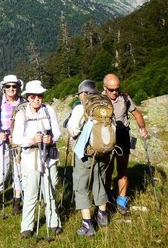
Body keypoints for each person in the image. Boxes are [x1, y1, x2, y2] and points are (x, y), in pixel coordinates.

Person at [12, 80, 61, 239]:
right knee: (31, 192)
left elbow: (57, 132)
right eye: (33, 96)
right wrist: (32, 140)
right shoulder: (21, 114)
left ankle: (54, 223)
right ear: (28, 97)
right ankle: (27, 226)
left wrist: (50, 139)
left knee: (50, 190)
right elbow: (16, 138)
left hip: (48, 157)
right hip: (29, 157)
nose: (36, 99)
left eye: (39, 95)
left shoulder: (49, 111)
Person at [66, 80, 109, 237]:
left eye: (80, 94)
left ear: (83, 93)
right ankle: (103, 217)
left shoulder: (81, 107)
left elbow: (73, 132)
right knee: (99, 182)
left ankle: (87, 225)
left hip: (85, 153)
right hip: (103, 152)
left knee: (81, 186)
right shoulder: (105, 104)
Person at [103, 73, 148, 216]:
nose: (115, 92)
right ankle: (107, 197)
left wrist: (142, 128)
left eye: (117, 89)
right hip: (106, 139)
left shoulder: (125, 98)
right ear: (104, 88)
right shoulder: (99, 100)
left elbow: (137, 113)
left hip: (123, 137)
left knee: (122, 171)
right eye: (111, 89)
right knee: (107, 170)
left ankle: (121, 202)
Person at [0, 75, 25, 216]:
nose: (11, 89)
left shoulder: (24, 103)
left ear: (18, 88)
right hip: (2, 143)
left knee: (19, 173)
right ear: (4, 88)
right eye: (8, 86)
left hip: (19, 143)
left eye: (14, 86)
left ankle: (16, 205)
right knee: (1, 173)